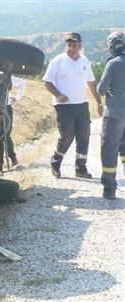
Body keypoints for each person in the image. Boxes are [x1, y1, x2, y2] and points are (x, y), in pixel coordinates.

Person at [43, 32, 103, 179]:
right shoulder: (58, 60)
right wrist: (58, 95)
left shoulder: (85, 61)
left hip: (82, 105)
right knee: (67, 136)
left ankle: (80, 169)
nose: (71, 48)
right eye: (69, 45)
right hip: (63, 106)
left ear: (80, 46)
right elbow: (47, 81)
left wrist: (99, 102)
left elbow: (92, 83)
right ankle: (55, 164)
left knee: (84, 137)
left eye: (74, 45)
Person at [97, 31, 125, 200]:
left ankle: (109, 189)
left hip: (114, 115)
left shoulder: (113, 63)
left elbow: (100, 90)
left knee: (109, 149)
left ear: (112, 46)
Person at [0, 75, 26, 173]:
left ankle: (12, 157)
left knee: (6, 134)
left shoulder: (5, 75)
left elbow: (22, 82)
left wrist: (18, 97)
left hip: (6, 107)